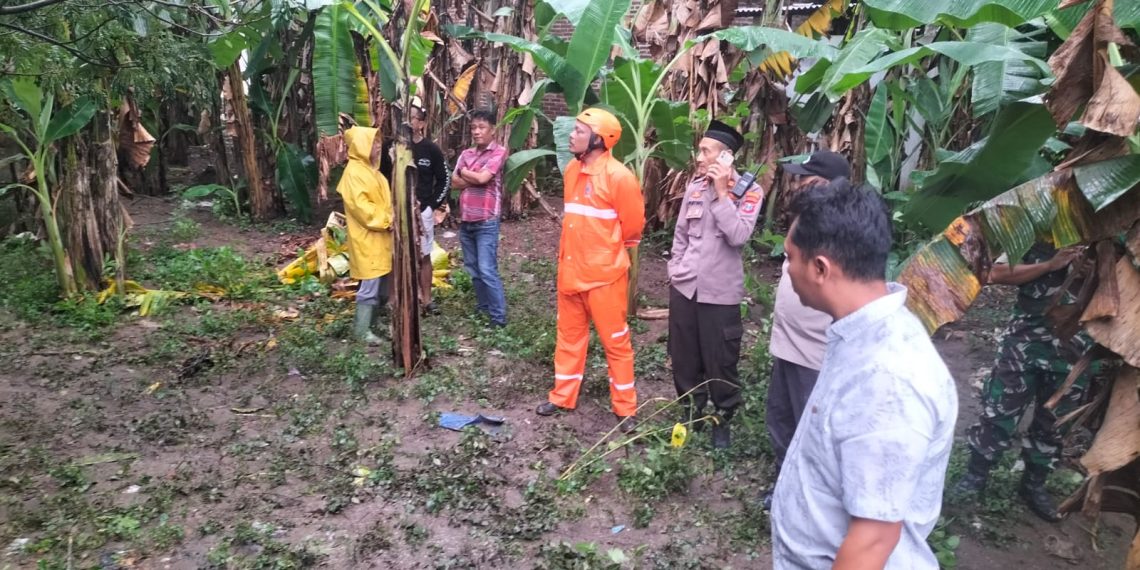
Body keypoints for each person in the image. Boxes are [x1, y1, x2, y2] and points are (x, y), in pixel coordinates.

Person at [772, 180, 957, 569]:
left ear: (820, 268)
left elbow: (872, 541)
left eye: (790, 257)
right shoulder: (860, 334)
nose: (786, 269)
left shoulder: (888, 380)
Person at [950, 243, 1091, 522]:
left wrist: (1096, 272)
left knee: (1053, 426)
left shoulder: (1115, 243)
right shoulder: (1041, 234)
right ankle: (975, 477)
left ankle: (1033, 485)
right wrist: (1050, 265)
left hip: (1075, 353)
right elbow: (996, 273)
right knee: (998, 412)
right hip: (1023, 345)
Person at [535, 108, 645, 433]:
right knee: (569, 337)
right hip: (570, 272)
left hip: (605, 277)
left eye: (579, 131)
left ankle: (625, 408)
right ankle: (562, 397)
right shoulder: (572, 169)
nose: (571, 135)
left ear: (598, 140)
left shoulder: (619, 177)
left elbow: (632, 228)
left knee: (616, 342)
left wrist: (605, 253)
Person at [667, 120, 764, 449]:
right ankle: (690, 412)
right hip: (685, 287)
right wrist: (675, 269)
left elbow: (738, 236)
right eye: (700, 150)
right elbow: (681, 235)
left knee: (721, 360)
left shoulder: (750, 192)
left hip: (720, 294)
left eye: (705, 151)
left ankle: (723, 416)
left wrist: (723, 194)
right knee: (683, 357)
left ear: (726, 157)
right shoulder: (694, 187)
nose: (698, 157)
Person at [762, 149, 850, 506]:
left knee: (808, 428)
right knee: (780, 418)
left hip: (815, 350)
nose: (797, 183)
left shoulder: (840, 230)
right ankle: (784, 485)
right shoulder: (806, 219)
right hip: (787, 343)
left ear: (828, 184)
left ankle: (809, 499)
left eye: (805, 178)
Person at [381, 105, 450, 315]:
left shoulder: (431, 149)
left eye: (413, 118)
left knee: (424, 255)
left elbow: (444, 179)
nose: (408, 121)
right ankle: (393, 301)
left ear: (421, 123)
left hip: (421, 211)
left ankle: (427, 300)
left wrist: (431, 205)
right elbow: (381, 178)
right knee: (395, 255)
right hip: (395, 210)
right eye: (405, 117)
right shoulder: (391, 147)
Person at [451, 109, 508, 327]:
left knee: (486, 269)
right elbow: (454, 182)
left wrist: (465, 173)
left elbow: (484, 178)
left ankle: (498, 318)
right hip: (466, 221)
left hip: (486, 221)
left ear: (492, 130)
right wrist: (473, 177)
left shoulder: (499, 152)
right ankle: (483, 307)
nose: (476, 131)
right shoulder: (466, 154)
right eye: (473, 127)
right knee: (473, 269)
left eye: (482, 127)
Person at [338, 126, 393, 345]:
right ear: (361, 146)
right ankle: (362, 331)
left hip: (380, 239)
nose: (378, 146)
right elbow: (363, 209)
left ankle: (373, 323)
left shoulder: (373, 172)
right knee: (369, 285)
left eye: (378, 142)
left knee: (380, 284)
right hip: (367, 238)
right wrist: (388, 220)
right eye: (373, 142)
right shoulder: (354, 173)